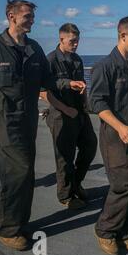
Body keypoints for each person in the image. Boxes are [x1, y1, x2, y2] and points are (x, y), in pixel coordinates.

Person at [0, 0, 86, 251]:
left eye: (32, 16)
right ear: (11, 16)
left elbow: (48, 79)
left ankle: (18, 223)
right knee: (18, 175)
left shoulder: (33, 48)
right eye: (27, 16)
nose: (32, 20)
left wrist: (69, 84)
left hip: (28, 122)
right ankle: (6, 227)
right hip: (4, 123)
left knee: (25, 174)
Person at [88, 16, 128, 255]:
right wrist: (120, 127)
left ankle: (126, 232)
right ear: (123, 36)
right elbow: (96, 102)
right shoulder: (105, 66)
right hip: (114, 136)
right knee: (124, 186)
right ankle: (105, 231)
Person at [40, 23, 97, 210]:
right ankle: (66, 196)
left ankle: (76, 183)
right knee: (64, 157)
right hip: (60, 115)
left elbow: (81, 86)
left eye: (78, 41)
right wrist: (66, 109)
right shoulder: (50, 60)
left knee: (90, 146)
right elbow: (43, 93)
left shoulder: (77, 60)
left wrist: (86, 106)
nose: (76, 44)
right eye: (72, 41)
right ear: (61, 39)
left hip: (79, 112)